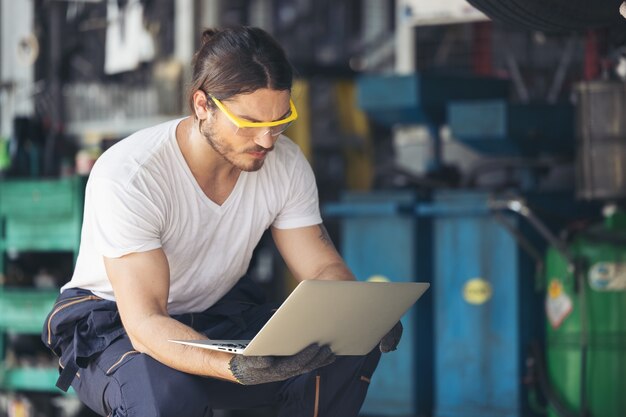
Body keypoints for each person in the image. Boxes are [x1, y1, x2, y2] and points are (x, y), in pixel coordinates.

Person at [42, 26, 402, 417]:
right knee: (168, 398)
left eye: (280, 121)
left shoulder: (285, 163)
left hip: (215, 313)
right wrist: (232, 367)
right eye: (249, 123)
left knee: (342, 348)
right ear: (202, 105)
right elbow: (145, 323)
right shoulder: (132, 175)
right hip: (115, 323)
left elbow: (321, 267)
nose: (266, 140)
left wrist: (357, 316)